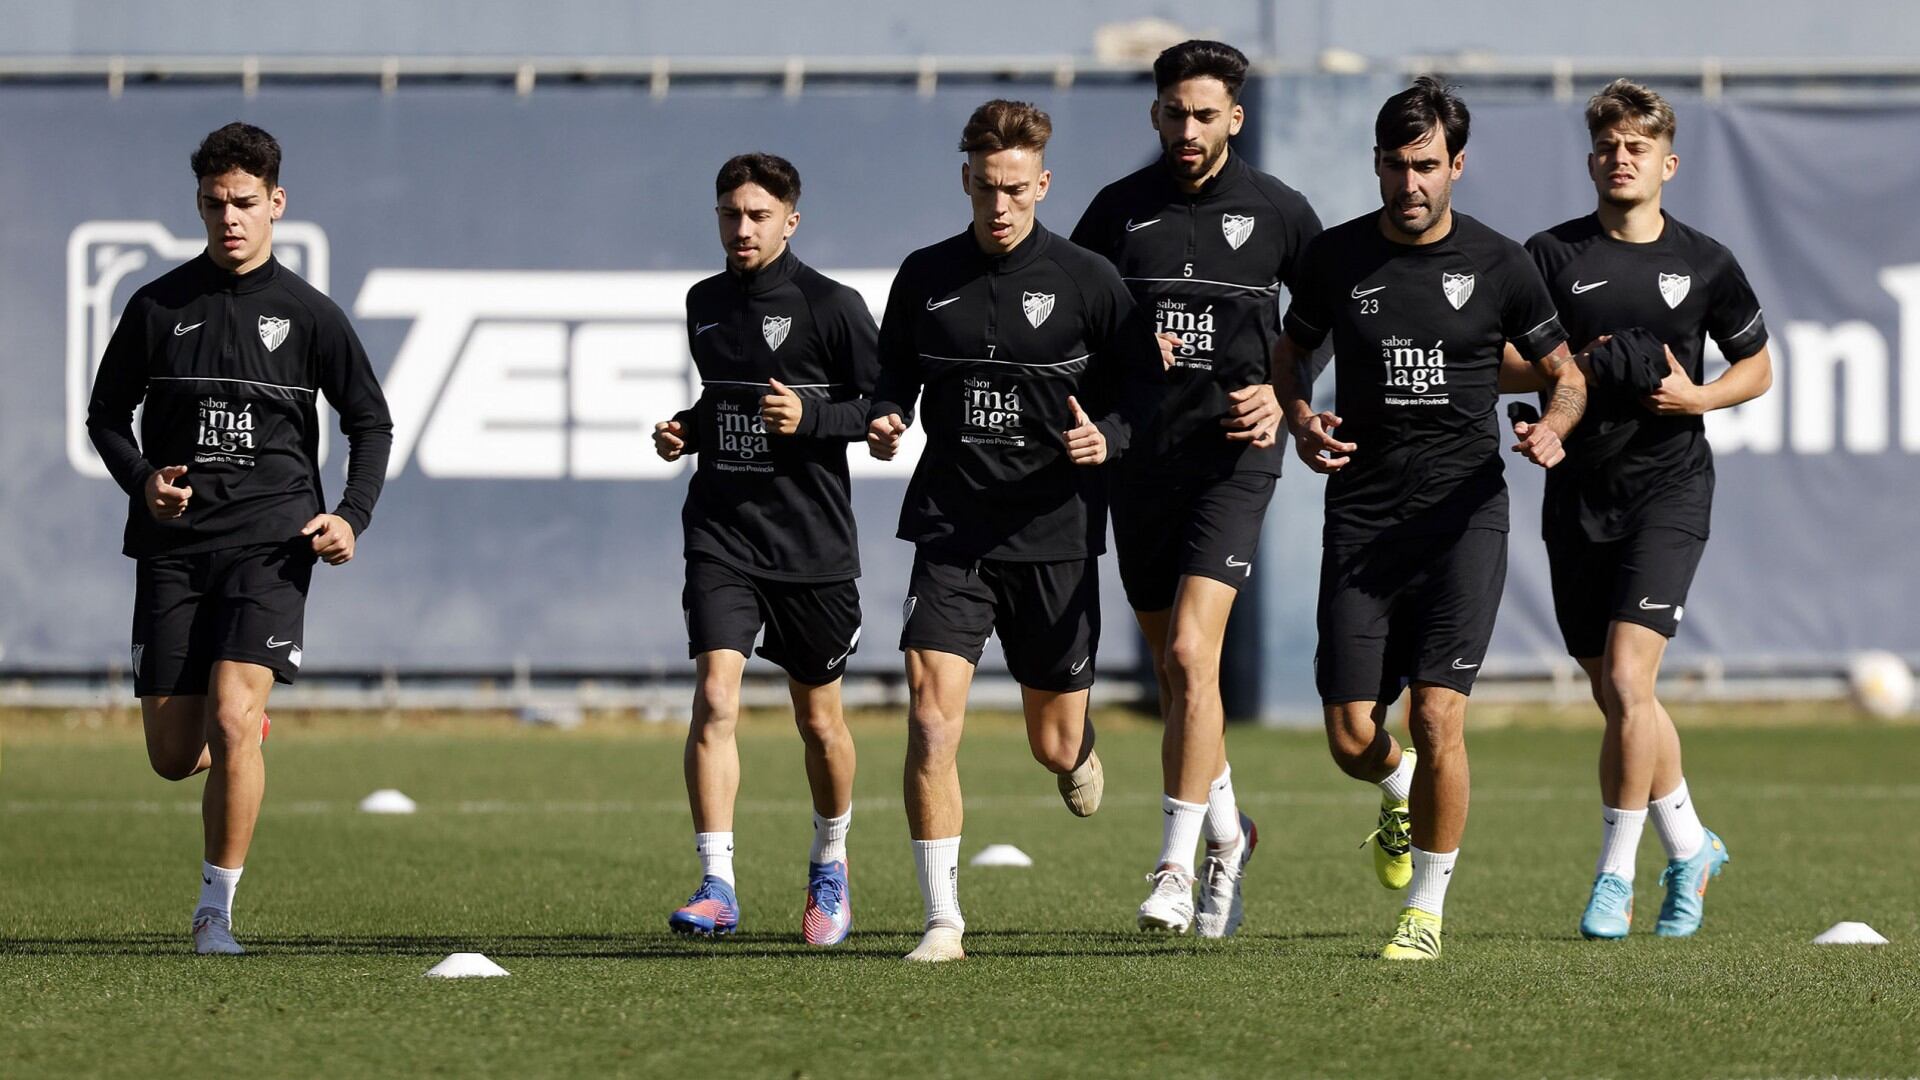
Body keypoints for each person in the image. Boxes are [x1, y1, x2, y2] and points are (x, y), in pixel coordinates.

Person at [1272, 78, 1588, 959]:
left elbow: (1564, 373)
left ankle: (1427, 914)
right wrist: (1299, 418)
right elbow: (1291, 351)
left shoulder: (1501, 264)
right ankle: (1396, 791)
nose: (1409, 184)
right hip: (1363, 519)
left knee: (1439, 716)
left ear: (1456, 165)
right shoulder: (1335, 260)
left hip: (1463, 519)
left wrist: (1555, 430)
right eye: (1393, 166)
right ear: (1375, 164)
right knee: (1350, 738)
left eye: (1425, 167)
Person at [866, 99, 1171, 962]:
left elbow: (1144, 389)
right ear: (966, 178)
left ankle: (1076, 750)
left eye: (1015, 190)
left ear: (1041, 183)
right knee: (931, 721)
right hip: (953, 529)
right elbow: (893, 372)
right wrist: (888, 415)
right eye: (985, 187)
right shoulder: (925, 274)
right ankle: (942, 920)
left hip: (1056, 535)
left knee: (1054, 741)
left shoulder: (1088, 280)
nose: (999, 206)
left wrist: (1105, 436)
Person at [85, 122, 393, 955]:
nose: (230, 217)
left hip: (272, 544)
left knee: (230, 710)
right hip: (173, 552)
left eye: (246, 203)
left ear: (276, 205)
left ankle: (214, 910)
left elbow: (370, 423)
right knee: (171, 753)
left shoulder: (310, 316)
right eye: (216, 203)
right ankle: (241, 734)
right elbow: (105, 416)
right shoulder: (157, 306)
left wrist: (349, 516)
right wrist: (143, 479)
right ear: (199, 203)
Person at [1507, 79, 1770, 940]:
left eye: (1638, 147)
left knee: (1628, 680)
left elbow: (1758, 367)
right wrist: (1564, 371)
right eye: (1609, 146)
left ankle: (1615, 876)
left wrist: (1700, 399)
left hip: (1669, 490)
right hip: (1579, 495)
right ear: (1592, 159)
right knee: (1622, 699)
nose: (1623, 159)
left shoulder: (1704, 261)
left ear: (1668, 162)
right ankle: (1691, 844)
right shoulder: (1548, 256)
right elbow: (1504, 358)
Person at [1071, 38, 1322, 937]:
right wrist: (1121, 365)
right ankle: (1229, 831)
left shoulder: (1280, 211)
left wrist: (1282, 393)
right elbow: (1080, 327)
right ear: (1155, 114)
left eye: (1205, 115)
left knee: (1185, 654)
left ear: (1235, 120)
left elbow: (1320, 318)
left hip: (1233, 458)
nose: (1188, 129)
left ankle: (1175, 867)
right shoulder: (1114, 214)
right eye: (1174, 113)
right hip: (1141, 458)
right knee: (1185, 680)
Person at [652, 153, 879, 946]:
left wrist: (813, 421)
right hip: (723, 532)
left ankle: (831, 862)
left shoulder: (833, 306)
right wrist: (687, 428)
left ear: (791, 218)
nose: (741, 228)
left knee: (818, 722)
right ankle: (717, 883)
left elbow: (884, 417)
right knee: (715, 697)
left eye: (756, 215)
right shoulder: (704, 302)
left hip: (812, 545)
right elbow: (722, 401)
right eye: (728, 214)